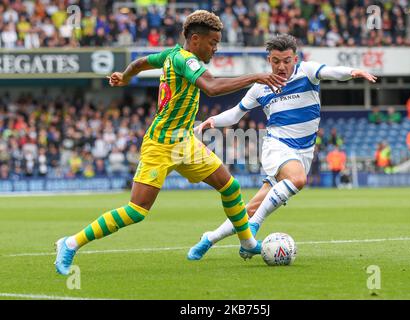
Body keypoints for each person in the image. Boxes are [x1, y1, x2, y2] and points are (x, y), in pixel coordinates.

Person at [54, 10, 287, 275]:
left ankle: (247, 243)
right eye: (213, 43)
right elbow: (210, 87)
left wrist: (125, 76)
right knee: (137, 210)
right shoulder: (185, 60)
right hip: (161, 144)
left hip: (184, 141)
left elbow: (140, 62)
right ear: (195, 39)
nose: (216, 48)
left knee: (230, 187)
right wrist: (255, 77)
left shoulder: (169, 55)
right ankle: (70, 243)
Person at [188, 34, 377, 260]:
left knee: (250, 208)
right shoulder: (261, 87)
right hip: (276, 146)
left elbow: (330, 71)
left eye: (287, 61)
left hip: (303, 152)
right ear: (269, 60)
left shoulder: (306, 71)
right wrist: (214, 121)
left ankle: (209, 238)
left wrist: (351, 72)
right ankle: (255, 228)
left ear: (295, 59)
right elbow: (237, 112)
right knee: (298, 180)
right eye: (276, 61)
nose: (281, 66)